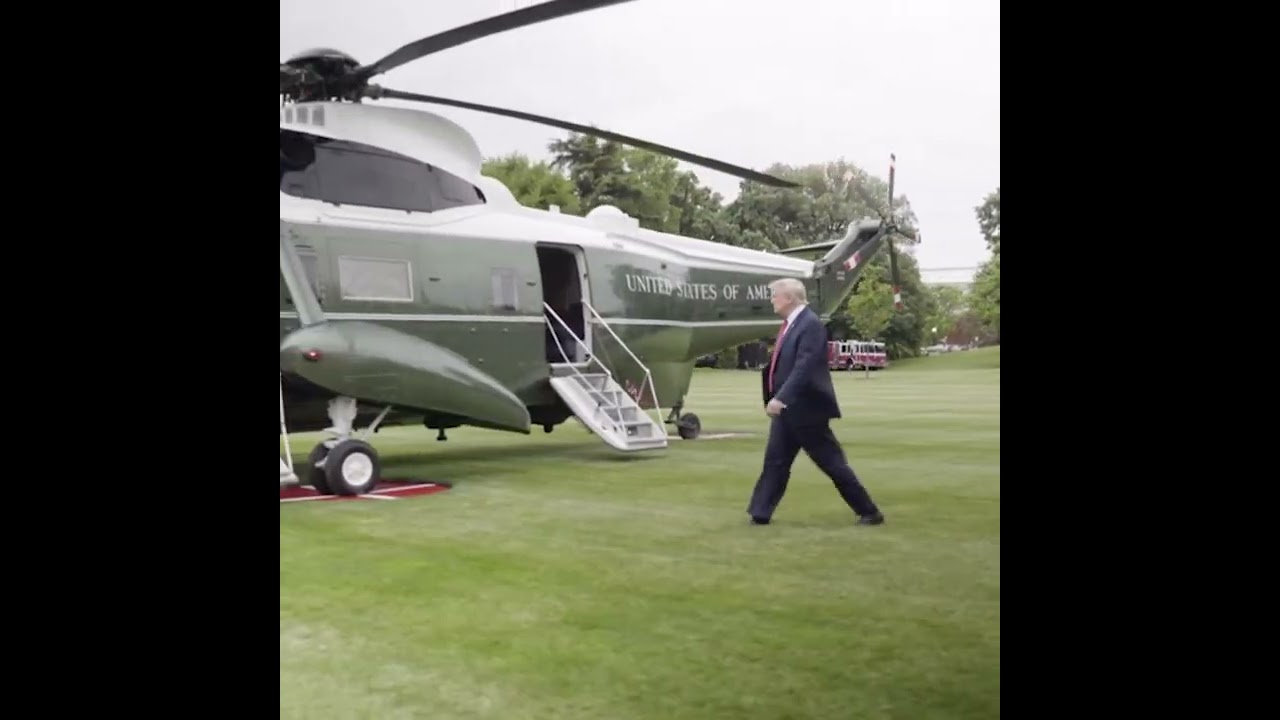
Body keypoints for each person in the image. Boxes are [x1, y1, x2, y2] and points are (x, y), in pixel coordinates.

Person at [746, 278, 885, 526]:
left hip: (807, 411)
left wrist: (781, 398)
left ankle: (869, 511)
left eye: (774, 295)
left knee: (832, 463)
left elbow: (804, 367)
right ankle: (760, 513)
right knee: (775, 462)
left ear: (789, 297)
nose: (771, 300)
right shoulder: (791, 325)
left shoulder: (810, 325)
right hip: (788, 413)